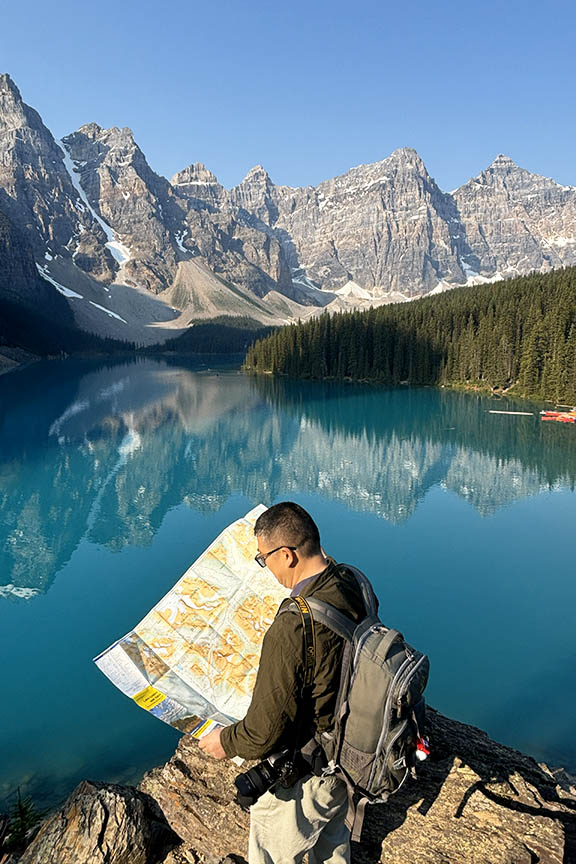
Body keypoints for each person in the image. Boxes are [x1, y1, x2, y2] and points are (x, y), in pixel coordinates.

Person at [199, 501, 370, 864]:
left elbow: (263, 732)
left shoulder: (293, 626)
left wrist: (225, 742)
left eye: (264, 558)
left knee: (271, 850)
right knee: (332, 846)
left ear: (288, 555)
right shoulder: (351, 580)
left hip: (309, 769)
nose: (266, 567)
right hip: (346, 757)